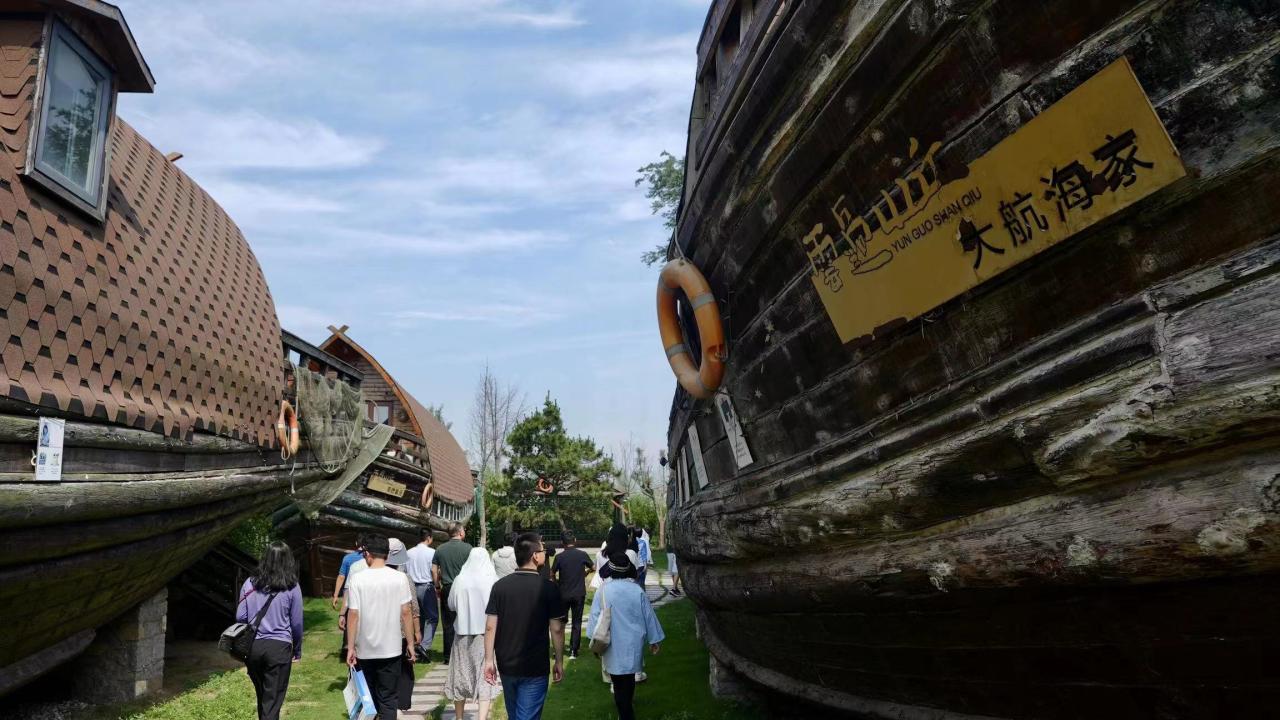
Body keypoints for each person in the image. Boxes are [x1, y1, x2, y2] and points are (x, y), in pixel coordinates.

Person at [483, 533, 566, 720]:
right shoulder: (548, 588)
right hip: (534, 666)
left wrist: (489, 660)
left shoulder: (500, 587)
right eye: (543, 550)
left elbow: (490, 626)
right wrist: (559, 660)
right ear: (535, 555)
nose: (545, 553)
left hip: (507, 663)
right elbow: (557, 629)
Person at [587, 552, 665, 720]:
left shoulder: (603, 591)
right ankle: (626, 712)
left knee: (617, 681)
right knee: (629, 680)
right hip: (632, 643)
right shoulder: (637, 590)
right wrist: (654, 639)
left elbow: (594, 618)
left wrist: (593, 642)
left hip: (611, 643)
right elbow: (648, 616)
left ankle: (625, 714)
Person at [346, 536, 416, 720]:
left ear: (367, 554)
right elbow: (406, 612)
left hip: (365, 649)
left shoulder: (357, 579)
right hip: (391, 648)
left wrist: (351, 647)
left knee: (369, 698)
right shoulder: (399, 578)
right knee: (389, 698)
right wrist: (410, 643)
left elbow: (353, 615)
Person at [236, 541, 304, 720]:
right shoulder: (292, 586)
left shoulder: (250, 584)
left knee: (264, 698)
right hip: (279, 649)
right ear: (288, 560)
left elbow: (240, 617)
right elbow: (296, 623)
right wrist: (297, 649)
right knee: (272, 702)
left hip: (253, 648)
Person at [444, 547, 502, 720]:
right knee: (485, 676)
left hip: (462, 633)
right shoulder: (493, 580)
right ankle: (481, 717)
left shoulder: (460, 579)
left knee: (460, 675)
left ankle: (460, 717)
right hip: (485, 635)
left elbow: (451, 604)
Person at [386, 538, 422, 712]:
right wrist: (416, 632)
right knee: (405, 668)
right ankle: (402, 702)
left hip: (380, 631)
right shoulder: (405, 578)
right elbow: (412, 608)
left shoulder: (369, 576)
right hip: (401, 630)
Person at [433, 522, 473, 663]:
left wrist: (437, 586)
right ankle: (465, 653)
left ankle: (448, 656)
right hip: (465, 588)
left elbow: (434, 570)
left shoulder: (440, 549)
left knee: (448, 623)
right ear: (460, 532)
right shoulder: (468, 548)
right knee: (466, 620)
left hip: (448, 587)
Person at [551, 531, 594, 659]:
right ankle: (573, 651)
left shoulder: (559, 557)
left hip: (563, 593)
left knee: (561, 623)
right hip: (579, 593)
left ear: (562, 542)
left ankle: (559, 647)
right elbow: (593, 567)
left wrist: (557, 583)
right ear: (574, 540)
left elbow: (552, 574)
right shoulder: (582, 555)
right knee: (577, 622)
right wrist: (584, 573)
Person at [405, 528, 438, 662]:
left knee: (417, 617)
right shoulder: (432, 552)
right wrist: (437, 585)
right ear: (429, 538)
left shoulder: (409, 553)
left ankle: (416, 643)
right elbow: (434, 570)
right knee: (432, 618)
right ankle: (424, 646)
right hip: (426, 586)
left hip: (412, 587)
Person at [333, 535, 368, 608]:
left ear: (356, 543)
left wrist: (335, 595)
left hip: (350, 592)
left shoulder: (347, 558)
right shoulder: (370, 558)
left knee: (348, 615)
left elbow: (341, 577)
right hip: (366, 591)